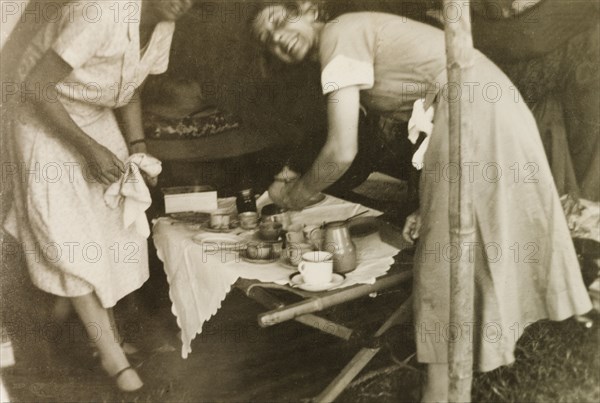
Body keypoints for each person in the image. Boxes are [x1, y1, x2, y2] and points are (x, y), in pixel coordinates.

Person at [251, 2, 593, 401]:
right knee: (453, 263)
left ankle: (442, 394)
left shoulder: (338, 35)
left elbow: (342, 150)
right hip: (479, 110)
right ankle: (452, 390)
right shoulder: (344, 44)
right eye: (267, 41)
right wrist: (424, 205)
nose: (277, 37)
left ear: (308, 9)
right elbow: (413, 119)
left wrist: (295, 195)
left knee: (439, 274)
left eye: (278, 20)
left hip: (474, 111)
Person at [4, 0, 195, 392]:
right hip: (41, 114)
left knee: (111, 229)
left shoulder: (163, 24)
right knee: (71, 241)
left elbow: (132, 89)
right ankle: (115, 361)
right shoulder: (102, 12)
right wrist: (88, 149)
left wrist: (138, 146)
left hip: (93, 112)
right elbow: (38, 87)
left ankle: (98, 335)